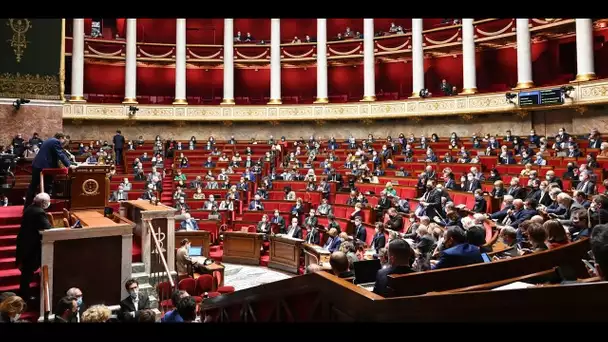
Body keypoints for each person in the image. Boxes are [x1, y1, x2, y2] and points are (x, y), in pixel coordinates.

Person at [16, 192, 53, 301]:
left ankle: (23, 293)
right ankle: (25, 296)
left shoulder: (30, 208)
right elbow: (48, 227)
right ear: (43, 203)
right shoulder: (39, 212)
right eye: (48, 201)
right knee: (27, 273)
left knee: (26, 273)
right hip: (30, 247)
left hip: (24, 244)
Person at [24, 132, 75, 208]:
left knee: (34, 186)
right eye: (64, 139)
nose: (63, 141)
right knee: (46, 186)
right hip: (43, 167)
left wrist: (71, 163)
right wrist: (69, 165)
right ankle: (45, 206)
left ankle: (28, 207)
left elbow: (55, 156)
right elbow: (60, 154)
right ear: (61, 138)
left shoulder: (49, 141)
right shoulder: (55, 141)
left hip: (38, 165)